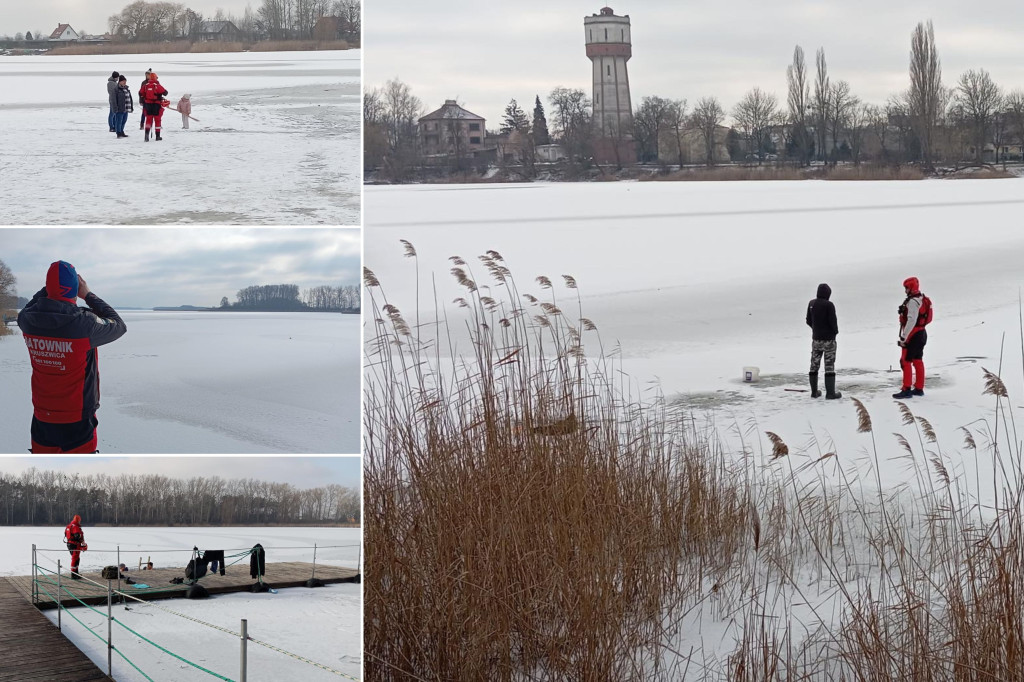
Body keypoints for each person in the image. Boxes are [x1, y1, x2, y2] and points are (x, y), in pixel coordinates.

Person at [17, 261, 128, 453]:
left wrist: (50, 288)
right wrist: (88, 295)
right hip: (78, 419)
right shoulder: (83, 324)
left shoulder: (27, 320)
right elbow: (119, 325)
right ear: (75, 289)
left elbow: (31, 305)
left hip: (43, 417)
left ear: (47, 287)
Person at [894, 277, 931, 399]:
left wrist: (904, 337)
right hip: (922, 333)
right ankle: (919, 388)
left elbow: (911, 320)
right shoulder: (922, 299)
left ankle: (906, 389)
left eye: (906, 288)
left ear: (911, 288)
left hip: (913, 335)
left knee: (906, 361)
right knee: (917, 360)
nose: (905, 291)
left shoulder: (912, 302)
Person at [806, 282, 841, 400]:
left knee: (814, 365)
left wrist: (816, 329)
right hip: (829, 340)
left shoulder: (811, 303)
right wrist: (834, 332)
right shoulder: (829, 305)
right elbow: (833, 322)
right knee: (829, 365)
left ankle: (814, 392)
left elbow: (808, 320)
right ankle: (830, 393)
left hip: (816, 340)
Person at [140, 71, 169, 142]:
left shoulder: (145, 85)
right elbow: (165, 93)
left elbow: (140, 93)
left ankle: (146, 136)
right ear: (155, 78)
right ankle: (157, 136)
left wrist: (144, 98)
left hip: (148, 105)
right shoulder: (157, 85)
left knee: (148, 120)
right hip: (156, 105)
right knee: (157, 120)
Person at [64, 514, 85, 579]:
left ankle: (76, 573)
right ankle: (74, 574)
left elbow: (65, 534)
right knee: (75, 559)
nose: (80, 522)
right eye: (79, 520)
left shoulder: (69, 526)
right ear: (78, 520)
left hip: (69, 544)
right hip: (75, 545)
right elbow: (77, 536)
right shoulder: (75, 527)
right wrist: (82, 542)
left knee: (76, 558)